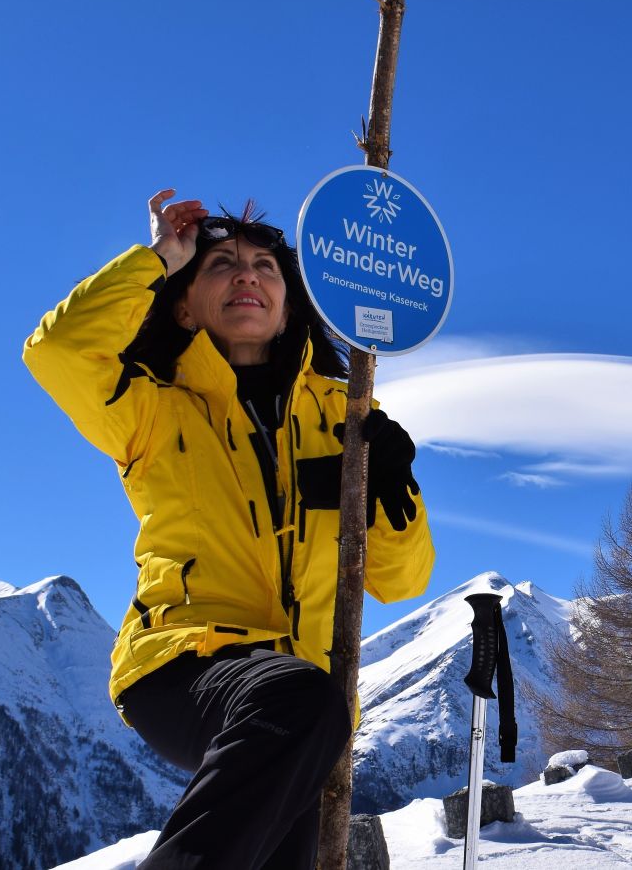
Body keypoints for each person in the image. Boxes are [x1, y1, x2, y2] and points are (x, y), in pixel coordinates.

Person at [23, 189, 435, 869]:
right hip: (181, 663)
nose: (248, 274)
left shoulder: (346, 412)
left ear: (288, 302)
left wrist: (393, 492)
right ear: (184, 303)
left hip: (304, 707)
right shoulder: (155, 408)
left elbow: (402, 578)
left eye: (266, 267)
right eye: (221, 265)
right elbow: (59, 353)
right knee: (300, 697)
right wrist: (160, 257)